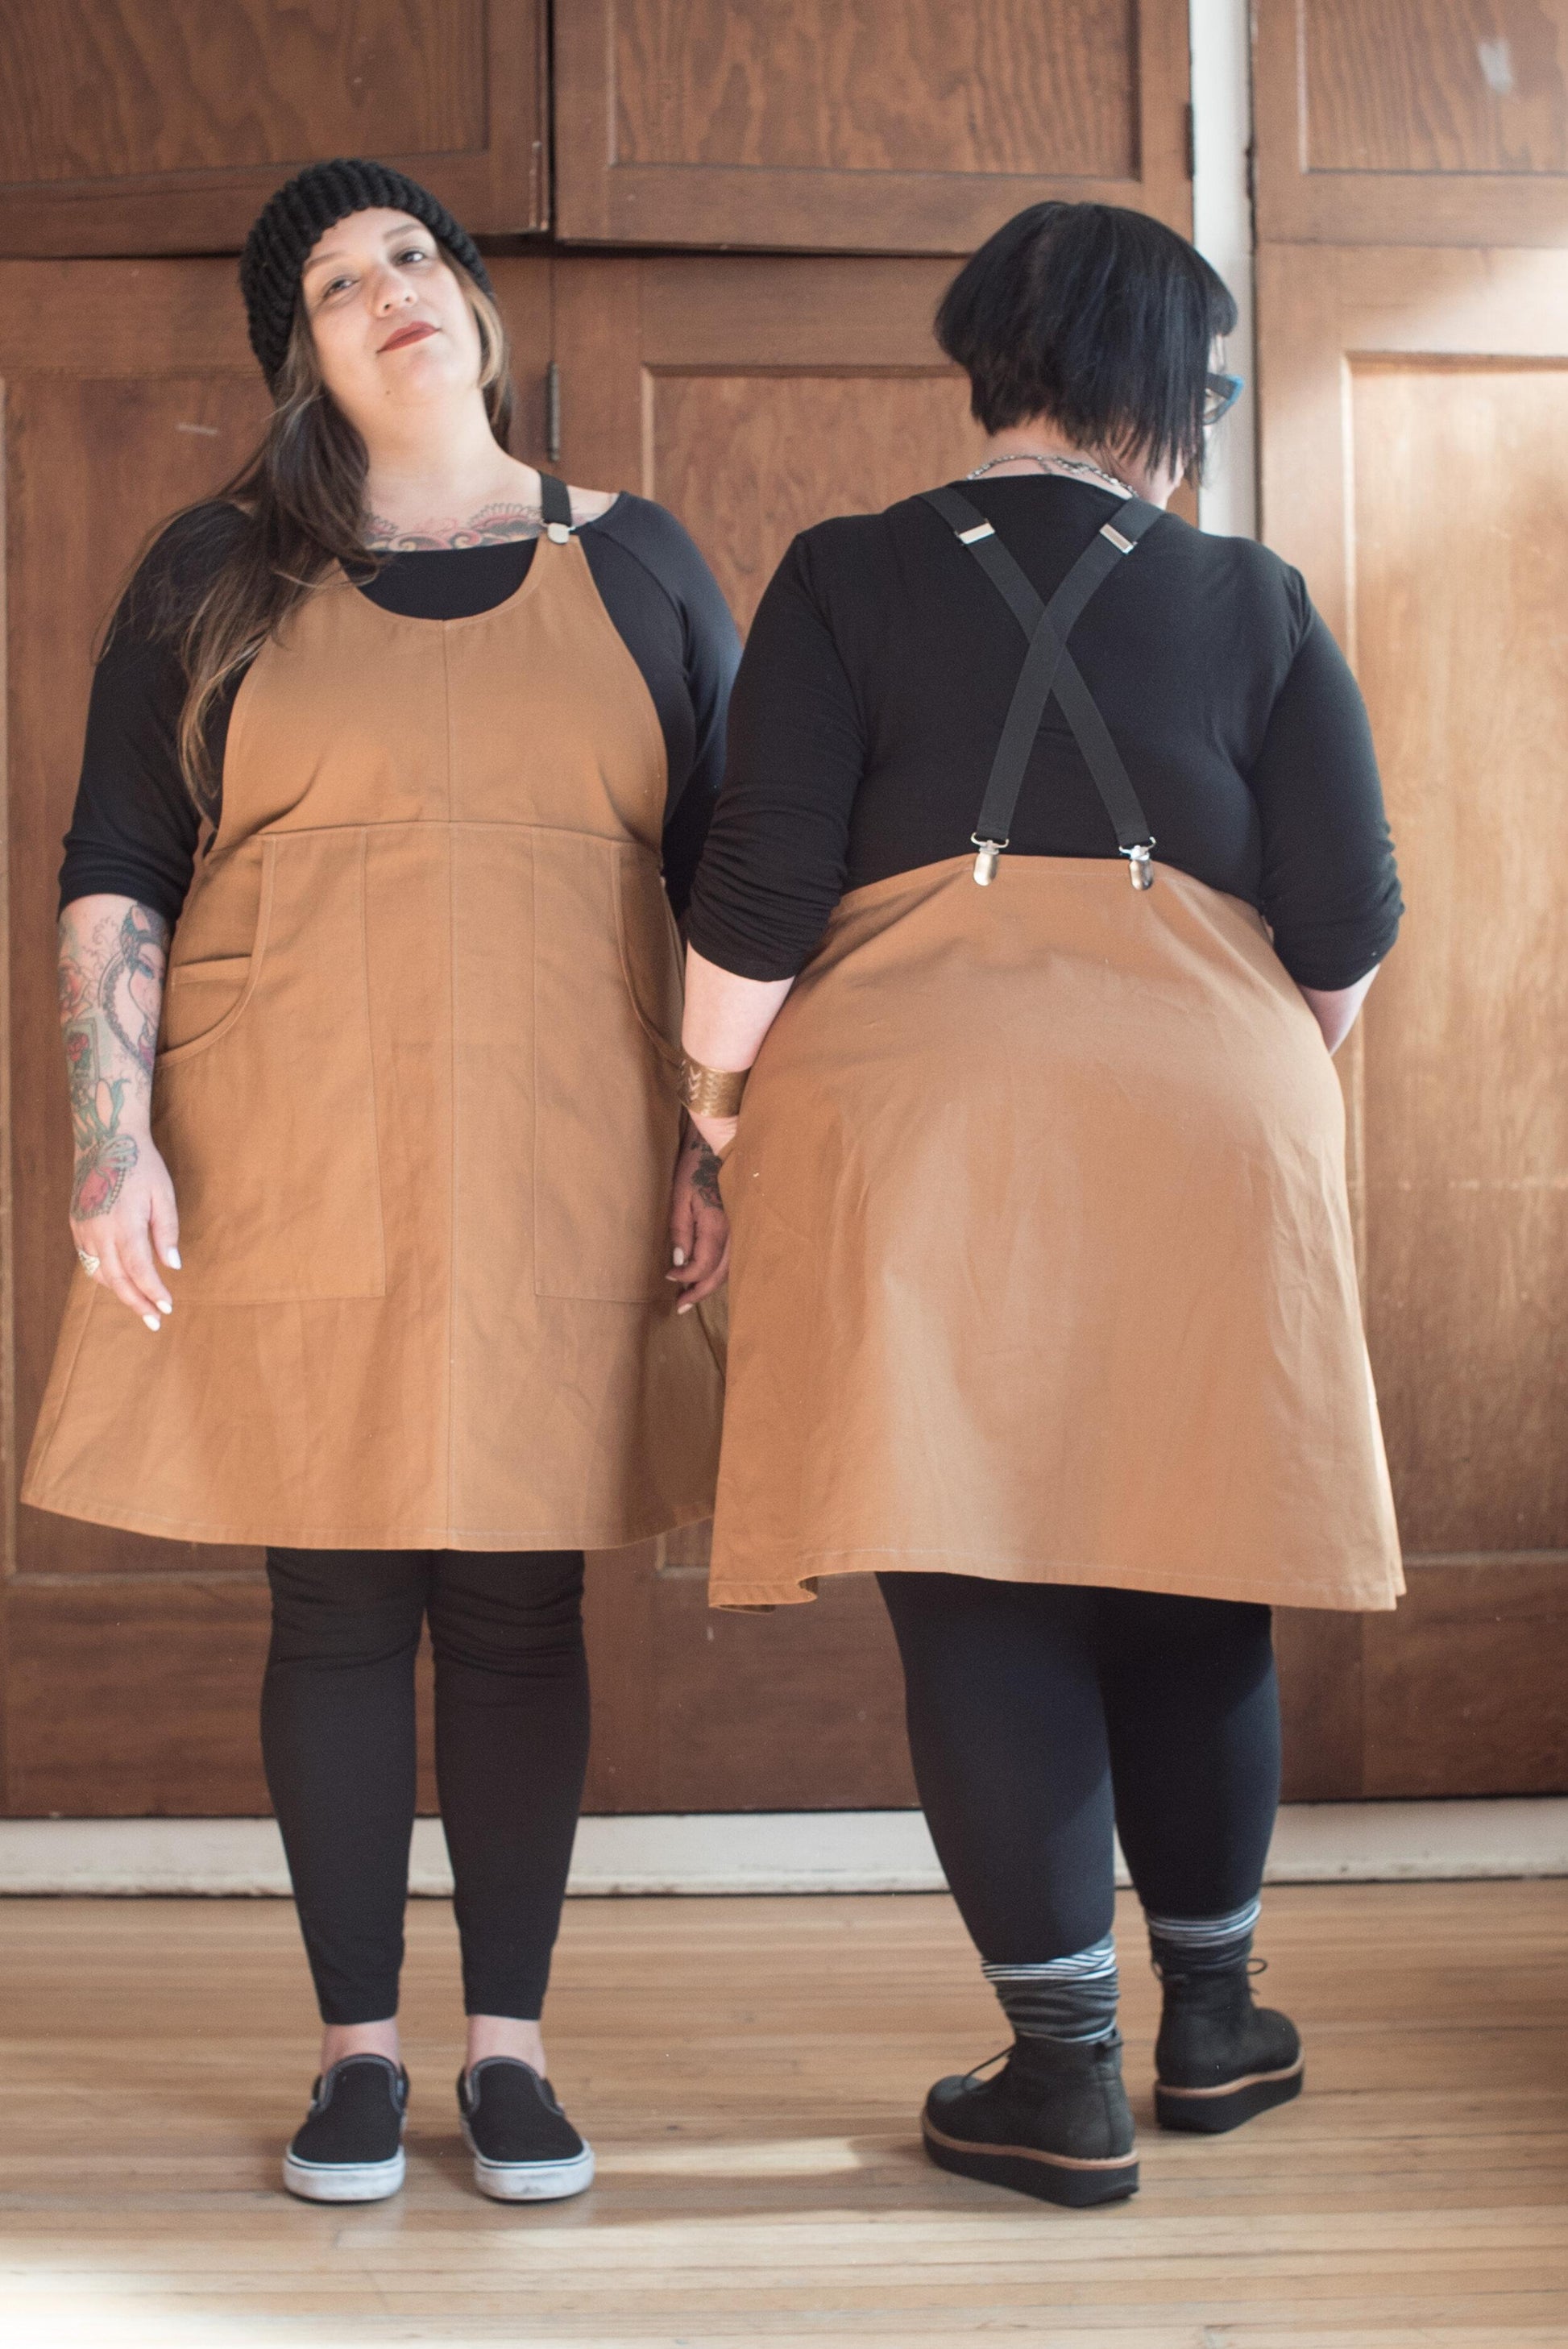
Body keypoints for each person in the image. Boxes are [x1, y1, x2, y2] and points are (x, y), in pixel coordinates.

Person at [676, 201, 1404, 2208]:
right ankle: (1217, 2026)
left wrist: (713, 1109)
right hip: (1213, 1119)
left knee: (977, 1562)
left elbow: (754, 905)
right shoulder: (1254, 597)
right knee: (1195, 1549)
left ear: (990, 354)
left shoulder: (841, 577)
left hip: (913, 1125)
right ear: (1165, 391)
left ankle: (1062, 2073)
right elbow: (1345, 926)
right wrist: (1219, 1051)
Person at [24, 158, 736, 2206]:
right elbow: (116, 872)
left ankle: (505, 2055)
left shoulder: (649, 565)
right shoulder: (212, 570)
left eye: (410, 255)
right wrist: (110, 1136)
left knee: (522, 1600)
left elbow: (729, 890)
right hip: (290, 1152)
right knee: (330, 1596)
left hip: (564, 1158)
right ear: (299, 359)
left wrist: (715, 1141)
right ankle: (355, 2057)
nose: (388, 291)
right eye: (337, 284)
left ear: (473, 296)